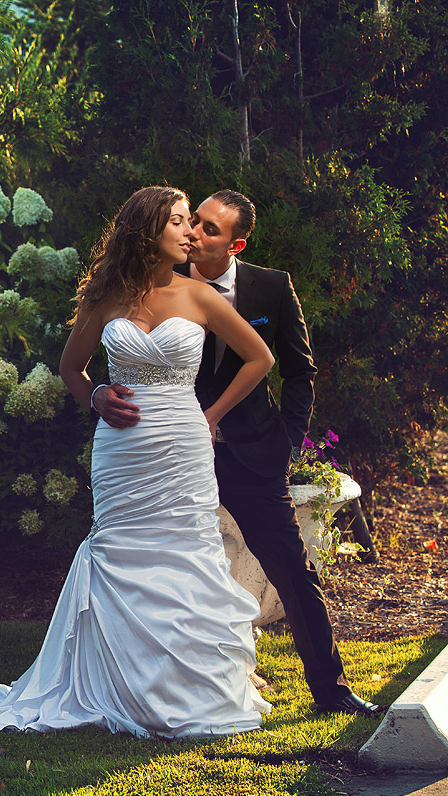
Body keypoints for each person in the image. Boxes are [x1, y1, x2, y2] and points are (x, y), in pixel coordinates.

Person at [0, 186, 275, 738]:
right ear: (148, 230)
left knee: (187, 554)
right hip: (123, 450)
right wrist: (95, 397)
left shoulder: (202, 297)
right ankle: (112, 684)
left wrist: (211, 415)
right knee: (120, 552)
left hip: (183, 442)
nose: (191, 233)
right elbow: (70, 368)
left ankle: (188, 687)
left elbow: (261, 358)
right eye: (181, 222)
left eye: (193, 224)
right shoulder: (106, 297)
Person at [93, 190, 382, 717]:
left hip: (250, 455)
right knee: (172, 568)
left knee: (293, 571)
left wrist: (288, 443)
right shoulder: (151, 286)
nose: (195, 233)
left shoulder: (269, 288)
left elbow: (296, 369)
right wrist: (99, 395)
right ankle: (172, 684)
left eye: (209, 229)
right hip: (166, 458)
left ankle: (331, 689)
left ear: (236, 243)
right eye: (192, 222)